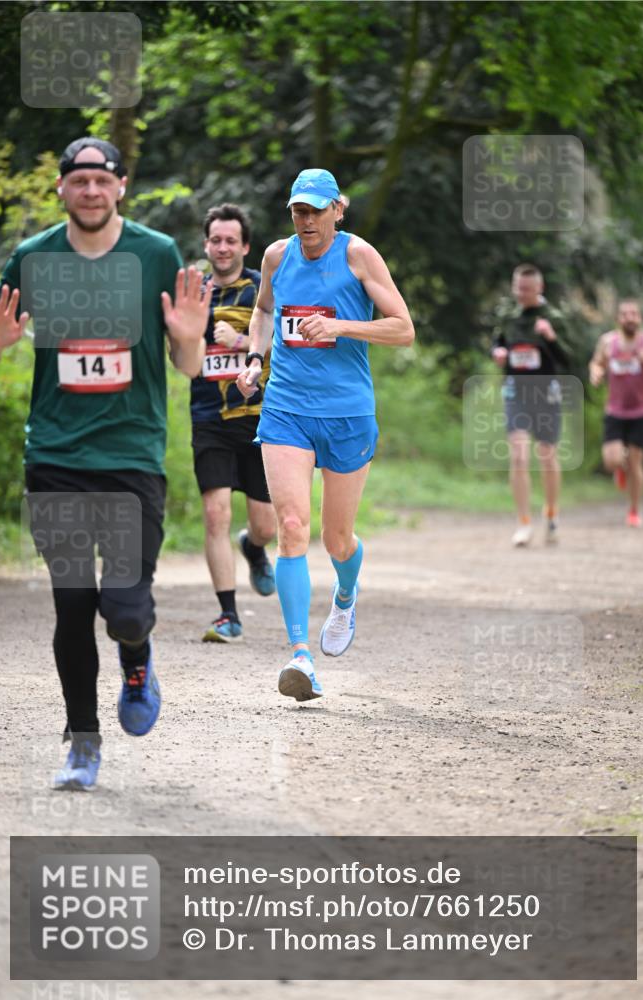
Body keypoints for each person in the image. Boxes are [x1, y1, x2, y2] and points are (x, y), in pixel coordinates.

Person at [0, 137, 210, 790]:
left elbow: (186, 366)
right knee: (71, 603)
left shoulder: (155, 255)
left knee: (124, 608)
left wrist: (192, 341)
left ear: (120, 188)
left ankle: (136, 660)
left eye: (101, 179)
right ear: (61, 188)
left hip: (131, 455)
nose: (90, 190)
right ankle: (82, 742)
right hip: (55, 454)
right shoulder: (32, 259)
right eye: (78, 179)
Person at [236, 168, 414, 702]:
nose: (306, 220)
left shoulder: (359, 256)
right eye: (298, 210)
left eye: (316, 210)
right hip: (287, 409)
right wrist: (252, 357)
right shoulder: (276, 257)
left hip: (347, 413)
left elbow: (403, 329)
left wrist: (341, 326)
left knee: (337, 540)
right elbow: (264, 311)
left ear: (339, 209)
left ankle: (345, 591)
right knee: (292, 527)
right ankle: (299, 657)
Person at [191, 203, 276, 643]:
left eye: (231, 240)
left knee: (266, 525)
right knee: (214, 514)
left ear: (245, 246)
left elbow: (284, 347)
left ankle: (255, 547)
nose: (222, 247)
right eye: (215, 240)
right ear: (206, 245)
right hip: (208, 417)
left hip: (258, 419)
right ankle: (228, 615)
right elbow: (182, 354)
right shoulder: (195, 293)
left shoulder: (262, 290)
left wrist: (241, 340)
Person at [491, 264, 569, 547]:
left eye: (526, 289)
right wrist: (497, 352)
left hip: (546, 392)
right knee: (519, 456)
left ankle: (551, 515)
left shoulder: (554, 317)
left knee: (547, 455)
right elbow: (496, 342)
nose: (521, 294)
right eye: (517, 288)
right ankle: (523, 522)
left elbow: (569, 359)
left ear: (540, 288)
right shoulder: (508, 315)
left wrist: (551, 337)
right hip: (515, 392)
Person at [589, 299, 643, 527]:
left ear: (640, 319)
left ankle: (634, 511)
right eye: (625, 314)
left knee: (637, 462)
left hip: (642, 411)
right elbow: (596, 363)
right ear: (618, 319)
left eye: (634, 314)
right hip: (615, 410)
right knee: (611, 460)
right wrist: (596, 373)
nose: (629, 317)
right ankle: (620, 468)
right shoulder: (608, 342)